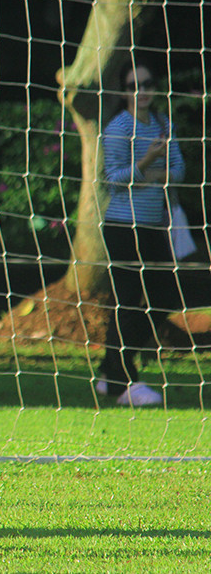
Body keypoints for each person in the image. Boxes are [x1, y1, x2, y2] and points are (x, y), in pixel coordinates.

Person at [97, 60, 184, 407]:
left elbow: (178, 170)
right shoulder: (118, 127)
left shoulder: (164, 124)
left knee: (164, 297)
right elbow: (114, 179)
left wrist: (152, 174)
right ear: (124, 92)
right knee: (128, 301)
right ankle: (120, 383)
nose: (142, 91)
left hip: (152, 225)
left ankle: (110, 368)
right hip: (122, 227)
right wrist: (147, 163)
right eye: (134, 86)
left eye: (147, 84)